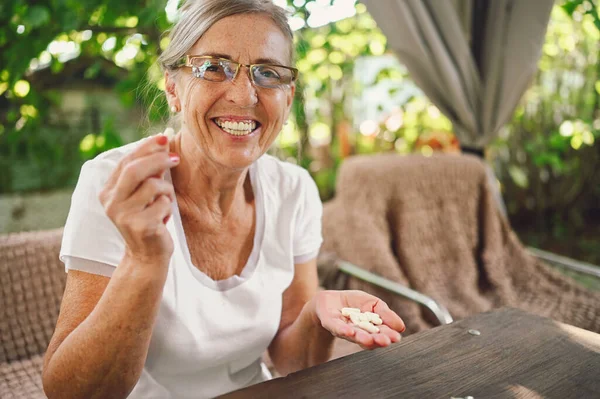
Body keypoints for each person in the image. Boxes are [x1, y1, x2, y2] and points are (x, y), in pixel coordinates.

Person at [41, 1, 406, 398]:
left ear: (288, 96)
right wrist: (144, 261)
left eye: (268, 73)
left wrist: (316, 315)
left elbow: (290, 361)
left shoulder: (294, 191)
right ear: (172, 87)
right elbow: (69, 392)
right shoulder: (117, 184)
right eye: (214, 67)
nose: (244, 95)